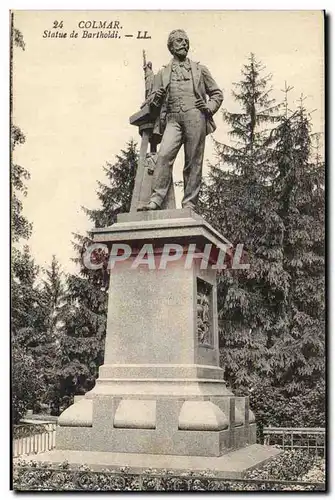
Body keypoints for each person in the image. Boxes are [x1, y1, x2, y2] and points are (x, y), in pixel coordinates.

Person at [141, 29, 223, 211]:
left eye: (186, 41)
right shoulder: (162, 74)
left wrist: (209, 108)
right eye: (179, 41)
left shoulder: (200, 69)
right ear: (170, 46)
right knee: (163, 155)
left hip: (195, 116)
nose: (184, 43)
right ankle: (156, 199)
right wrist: (157, 97)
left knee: (193, 161)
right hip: (172, 119)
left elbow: (217, 93)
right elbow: (151, 104)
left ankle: (189, 204)